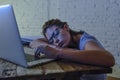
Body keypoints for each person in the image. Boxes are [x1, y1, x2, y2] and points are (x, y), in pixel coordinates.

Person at [29, 19, 115, 80]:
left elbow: (109, 59)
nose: (56, 41)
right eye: (51, 40)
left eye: (56, 34)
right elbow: (34, 42)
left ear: (66, 27)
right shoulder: (64, 41)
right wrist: (48, 46)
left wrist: (57, 52)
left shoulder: (86, 40)